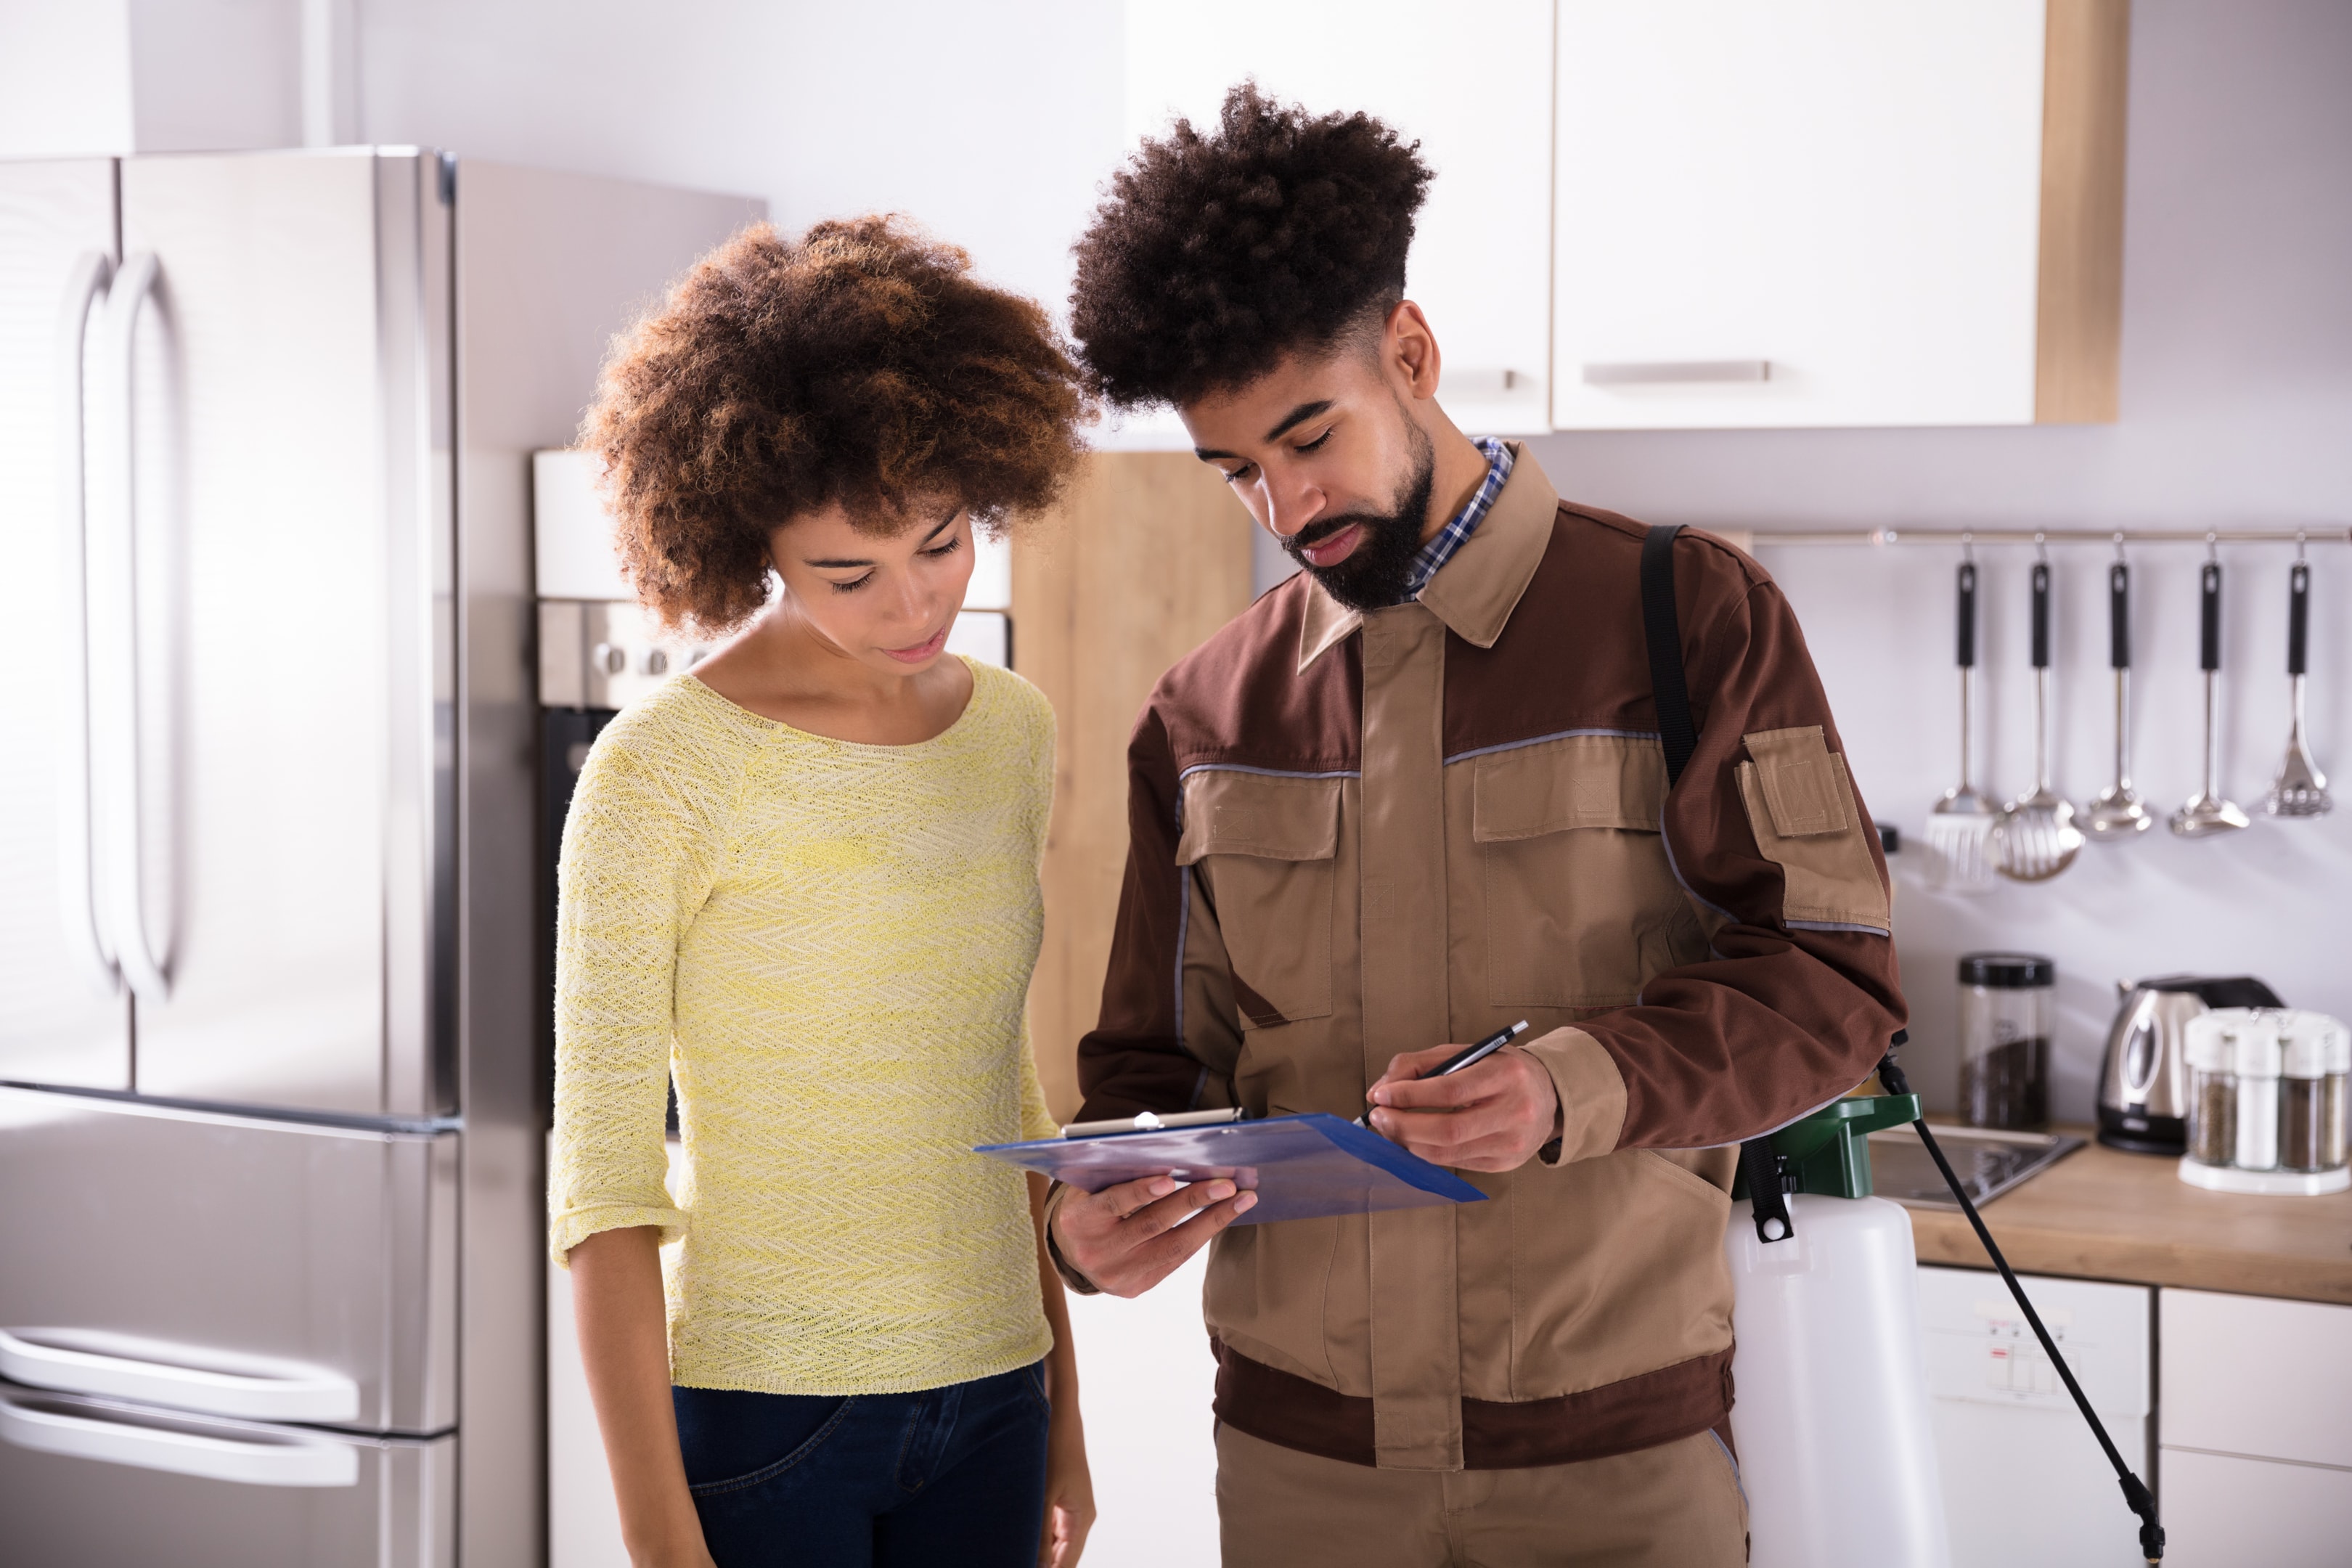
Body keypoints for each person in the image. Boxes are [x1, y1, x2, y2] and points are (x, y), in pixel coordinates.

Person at [1044, 86, 1907, 1567]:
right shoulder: (1203, 712)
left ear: (1413, 353)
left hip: (1615, 1472)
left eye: (1308, 436)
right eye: (1237, 468)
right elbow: (1149, 1070)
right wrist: (1102, 1214)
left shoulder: (1689, 615)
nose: (1282, 501)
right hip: (1299, 1474)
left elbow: (1834, 982)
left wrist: (1573, 1086)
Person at [551, 217, 1096, 1568]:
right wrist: (660, 1542)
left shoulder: (1012, 732)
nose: (914, 603)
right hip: (766, 1421)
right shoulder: (660, 771)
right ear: (751, 545)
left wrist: (1066, 1411)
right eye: (847, 573)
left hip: (993, 1400)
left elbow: (999, 1087)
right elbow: (603, 1189)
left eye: (944, 541)